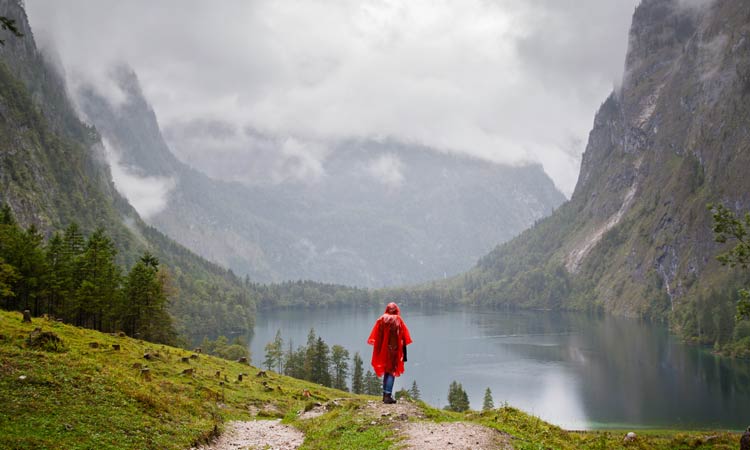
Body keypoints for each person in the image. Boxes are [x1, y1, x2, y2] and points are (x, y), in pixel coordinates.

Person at [367, 302, 412, 404]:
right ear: (396, 310)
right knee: (391, 372)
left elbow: (376, 336)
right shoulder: (398, 320)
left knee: (387, 371)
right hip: (393, 350)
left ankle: (385, 395)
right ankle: (388, 395)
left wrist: (379, 350)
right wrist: (403, 353)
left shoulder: (381, 319)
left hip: (383, 350)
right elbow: (404, 337)